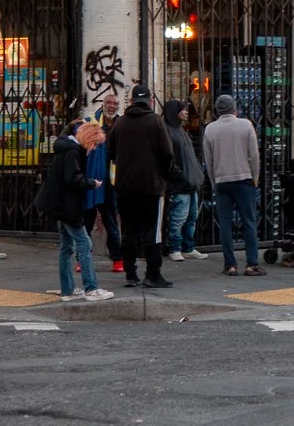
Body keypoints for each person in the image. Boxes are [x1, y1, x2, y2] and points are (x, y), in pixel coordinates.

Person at [107, 85, 175, 288]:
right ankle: (153, 274)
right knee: (152, 232)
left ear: (131, 102)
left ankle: (130, 273)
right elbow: (167, 154)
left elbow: (111, 153)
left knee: (128, 231)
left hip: (125, 187)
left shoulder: (120, 124)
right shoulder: (156, 121)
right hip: (151, 186)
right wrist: (164, 176)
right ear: (150, 102)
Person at [42, 122, 111, 301]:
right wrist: (91, 183)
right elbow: (72, 179)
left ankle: (68, 290)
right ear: (88, 139)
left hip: (59, 205)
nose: (94, 148)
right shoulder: (73, 152)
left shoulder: (65, 148)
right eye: (95, 144)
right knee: (84, 244)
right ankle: (91, 288)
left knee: (66, 247)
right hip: (68, 207)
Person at [203, 92, 265, 276]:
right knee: (249, 222)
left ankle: (230, 264)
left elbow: (209, 159)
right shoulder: (246, 125)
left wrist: (214, 181)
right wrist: (255, 177)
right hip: (244, 179)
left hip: (222, 181)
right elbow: (254, 155)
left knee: (225, 224)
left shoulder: (210, 129)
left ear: (217, 110)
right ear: (234, 109)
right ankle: (251, 263)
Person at [162, 99, 205, 261]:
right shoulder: (168, 131)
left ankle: (188, 247)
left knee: (191, 217)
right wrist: (180, 175)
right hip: (179, 184)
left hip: (189, 183)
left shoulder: (180, 130)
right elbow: (168, 159)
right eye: (183, 110)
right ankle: (175, 247)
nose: (186, 112)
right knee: (178, 217)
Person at [77, 113, 121, 268]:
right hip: (91, 184)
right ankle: (82, 259)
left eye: (114, 104)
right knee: (87, 224)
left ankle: (117, 258)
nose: (111, 106)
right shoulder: (89, 125)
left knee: (110, 224)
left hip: (107, 185)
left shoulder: (119, 126)